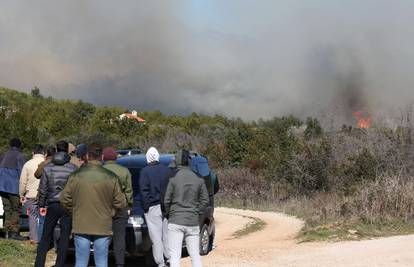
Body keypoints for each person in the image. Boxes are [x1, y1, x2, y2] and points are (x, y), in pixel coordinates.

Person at [60, 143, 126, 267]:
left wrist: (74, 211)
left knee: (80, 262)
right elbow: (120, 202)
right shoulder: (111, 177)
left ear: (86, 156)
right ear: (101, 156)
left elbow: (64, 199)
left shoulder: (75, 176)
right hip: (103, 224)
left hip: (81, 223)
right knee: (101, 262)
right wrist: (110, 213)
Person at [35, 140, 78, 267]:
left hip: (52, 204)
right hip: (67, 205)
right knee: (65, 236)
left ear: (57, 150)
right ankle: (60, 264)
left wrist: (41, 205)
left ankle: (39, 264)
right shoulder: (73, 168)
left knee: (46, 236)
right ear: (67, 151)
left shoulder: (48, 167)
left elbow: (43, 188)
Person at [164, 150, 209, 267]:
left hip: (175, 220)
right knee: (195, 256)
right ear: (189, 161)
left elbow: (166, 200)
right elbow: (205, 200)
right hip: (192, 221)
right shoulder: (198, 178)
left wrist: (169, 214)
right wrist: (196, 211)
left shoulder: (172, 178)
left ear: (177, 161)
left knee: (174, 256)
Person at [139, 147, 174, 267]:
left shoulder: (144, 171)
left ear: (148, 158)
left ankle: (161, 263)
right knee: (166, 235)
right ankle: (170, 259)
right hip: (166, 207)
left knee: (156, 238)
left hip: (152, 208)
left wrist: (146, 207)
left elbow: (144, 191)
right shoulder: (167, 171)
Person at [102, 147, 133, 267]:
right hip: (121, 206)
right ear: (116, 158)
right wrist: (129, 205)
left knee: (103, 237)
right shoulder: (124, 171)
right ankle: (120, 263)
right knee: (120, 237)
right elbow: (129, 191)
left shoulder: (101, 170)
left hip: (104, 207)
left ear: (104, 157)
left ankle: (102, 262)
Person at [0, 138, 27, 240]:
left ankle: (7, 232)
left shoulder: (3, 155)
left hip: (1, 187)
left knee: (7, 209)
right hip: (14, 187)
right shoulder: (20, 156)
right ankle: (14, 233)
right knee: (16, 209)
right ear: (19, 146)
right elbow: (22, 173)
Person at [19, 144, 45, 243]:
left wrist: (21, 194)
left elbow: (23, 181)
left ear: (33, 153)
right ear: (43, 153)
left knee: (32, 216)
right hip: (44, 194)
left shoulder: (27, 164)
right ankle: (43, 237)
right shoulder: (46, 163)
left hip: (31, 195)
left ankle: (33, 238)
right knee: (43, 216)